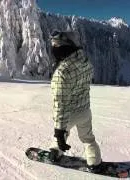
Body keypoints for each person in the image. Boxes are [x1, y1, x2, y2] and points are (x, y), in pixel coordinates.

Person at [49, 30, 102, 173]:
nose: (53, 49)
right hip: (85, 110)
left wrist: (59, 131)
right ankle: (95, 161)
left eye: (56, 46)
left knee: (63, 133)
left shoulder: (61, 74)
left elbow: (61, 104)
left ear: (63, 48)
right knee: (88, 138)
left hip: (70, 114)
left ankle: (55, 151)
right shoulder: (85, 61)